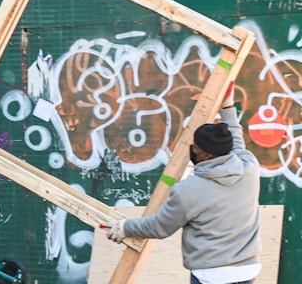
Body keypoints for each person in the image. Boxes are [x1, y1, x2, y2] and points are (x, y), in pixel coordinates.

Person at [104, 87, 261, 284]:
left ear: (207, 154)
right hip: (246, 271)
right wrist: (227, 106)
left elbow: (159, 227)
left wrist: (126, 227)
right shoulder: (249, 168)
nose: (192, 149)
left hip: (211, 276)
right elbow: (236, 144)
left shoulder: (189, 190)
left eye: (196, 147)